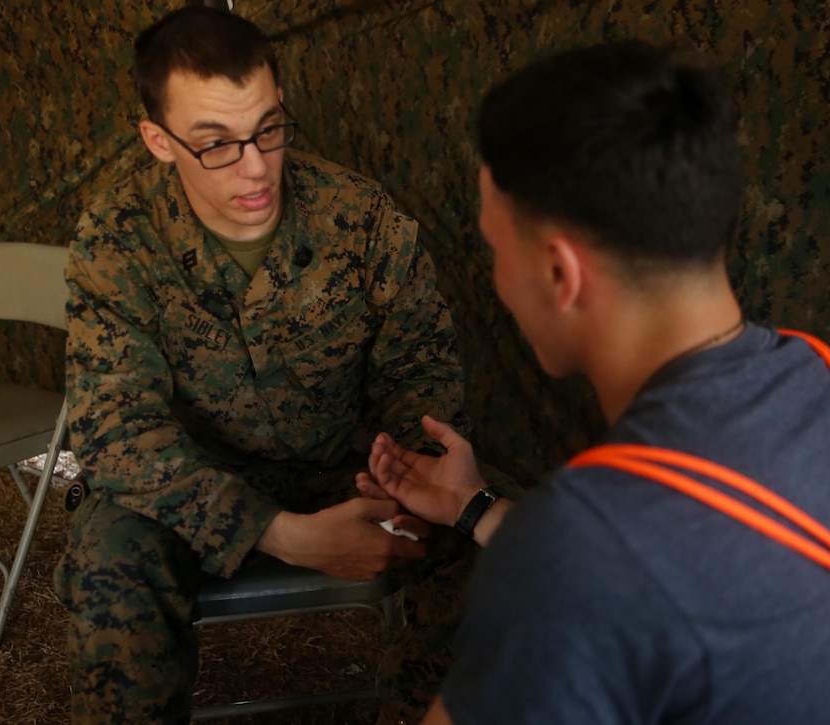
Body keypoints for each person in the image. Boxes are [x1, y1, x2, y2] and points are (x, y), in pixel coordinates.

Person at [356, 39, 830, 724]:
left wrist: (542, 545)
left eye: (494, 248)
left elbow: (620, 567)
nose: (496, 279)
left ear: (561, 273)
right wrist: (476, 505)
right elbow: (691, 574)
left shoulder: (578, 548)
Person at [54, 6, 513, 723]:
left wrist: (412, 475)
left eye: (269, 127)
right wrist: (281, 532)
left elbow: (421, 373)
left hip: (352, 468)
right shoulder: (118, 239)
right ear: (158, 141)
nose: (257, 165)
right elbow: (116, 430)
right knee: (111, 550)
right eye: (217, 144)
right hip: (201, 480)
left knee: (487, 539)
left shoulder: (360, 216)